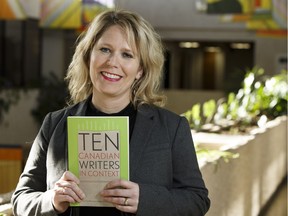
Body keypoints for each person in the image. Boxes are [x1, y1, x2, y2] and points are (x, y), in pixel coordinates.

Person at [12, 9, 210, 216]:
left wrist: (145, 198)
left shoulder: (172, 128)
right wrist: (52, 200)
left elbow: (197, 200)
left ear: (140, 70)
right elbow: (21, 199)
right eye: (105, 49)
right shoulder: (54, 124)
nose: (112, 63)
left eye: (127, 54)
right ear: (89, 56)